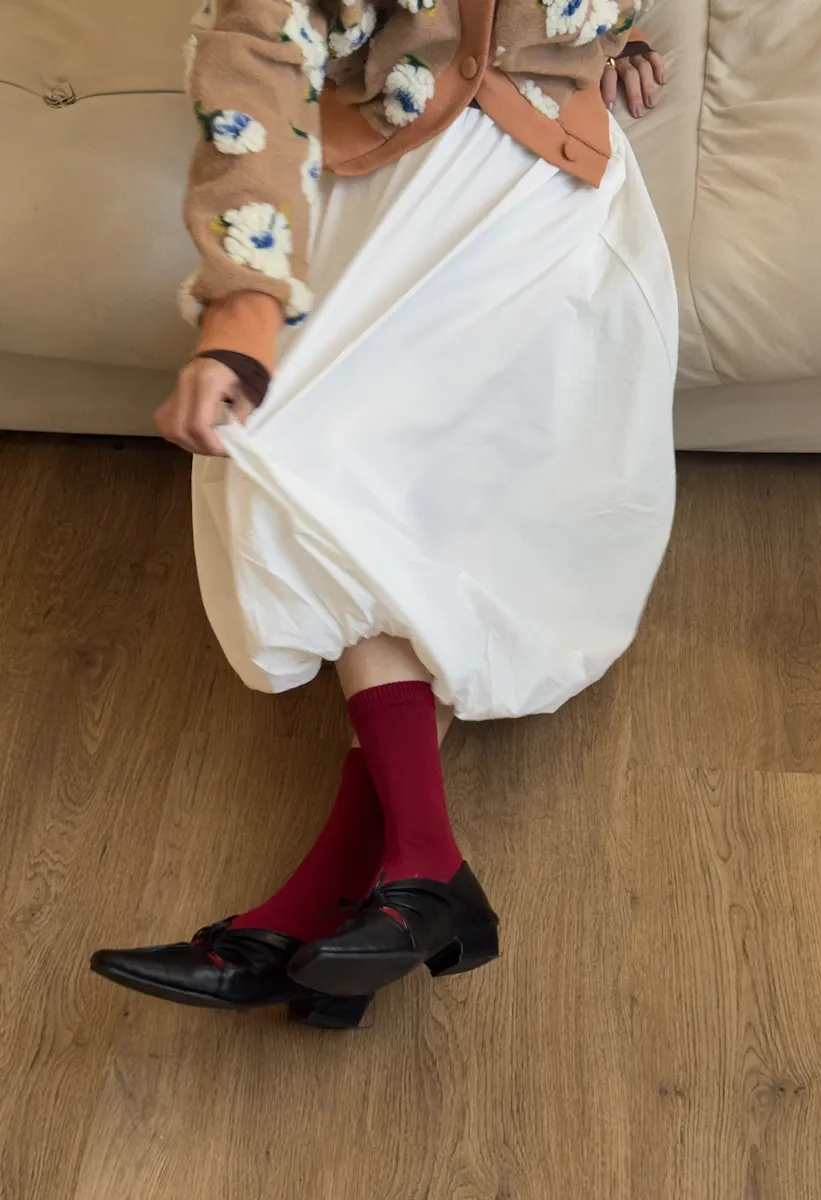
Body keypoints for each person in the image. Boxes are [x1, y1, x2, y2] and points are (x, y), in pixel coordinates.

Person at [91, 0, 676, 1030]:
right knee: (312, 460)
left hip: (545, 201)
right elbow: (256, 50)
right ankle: (410, 883)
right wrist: (243, 307)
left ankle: (330, 909)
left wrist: (613, 36)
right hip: (384, 178)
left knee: (417, 506)